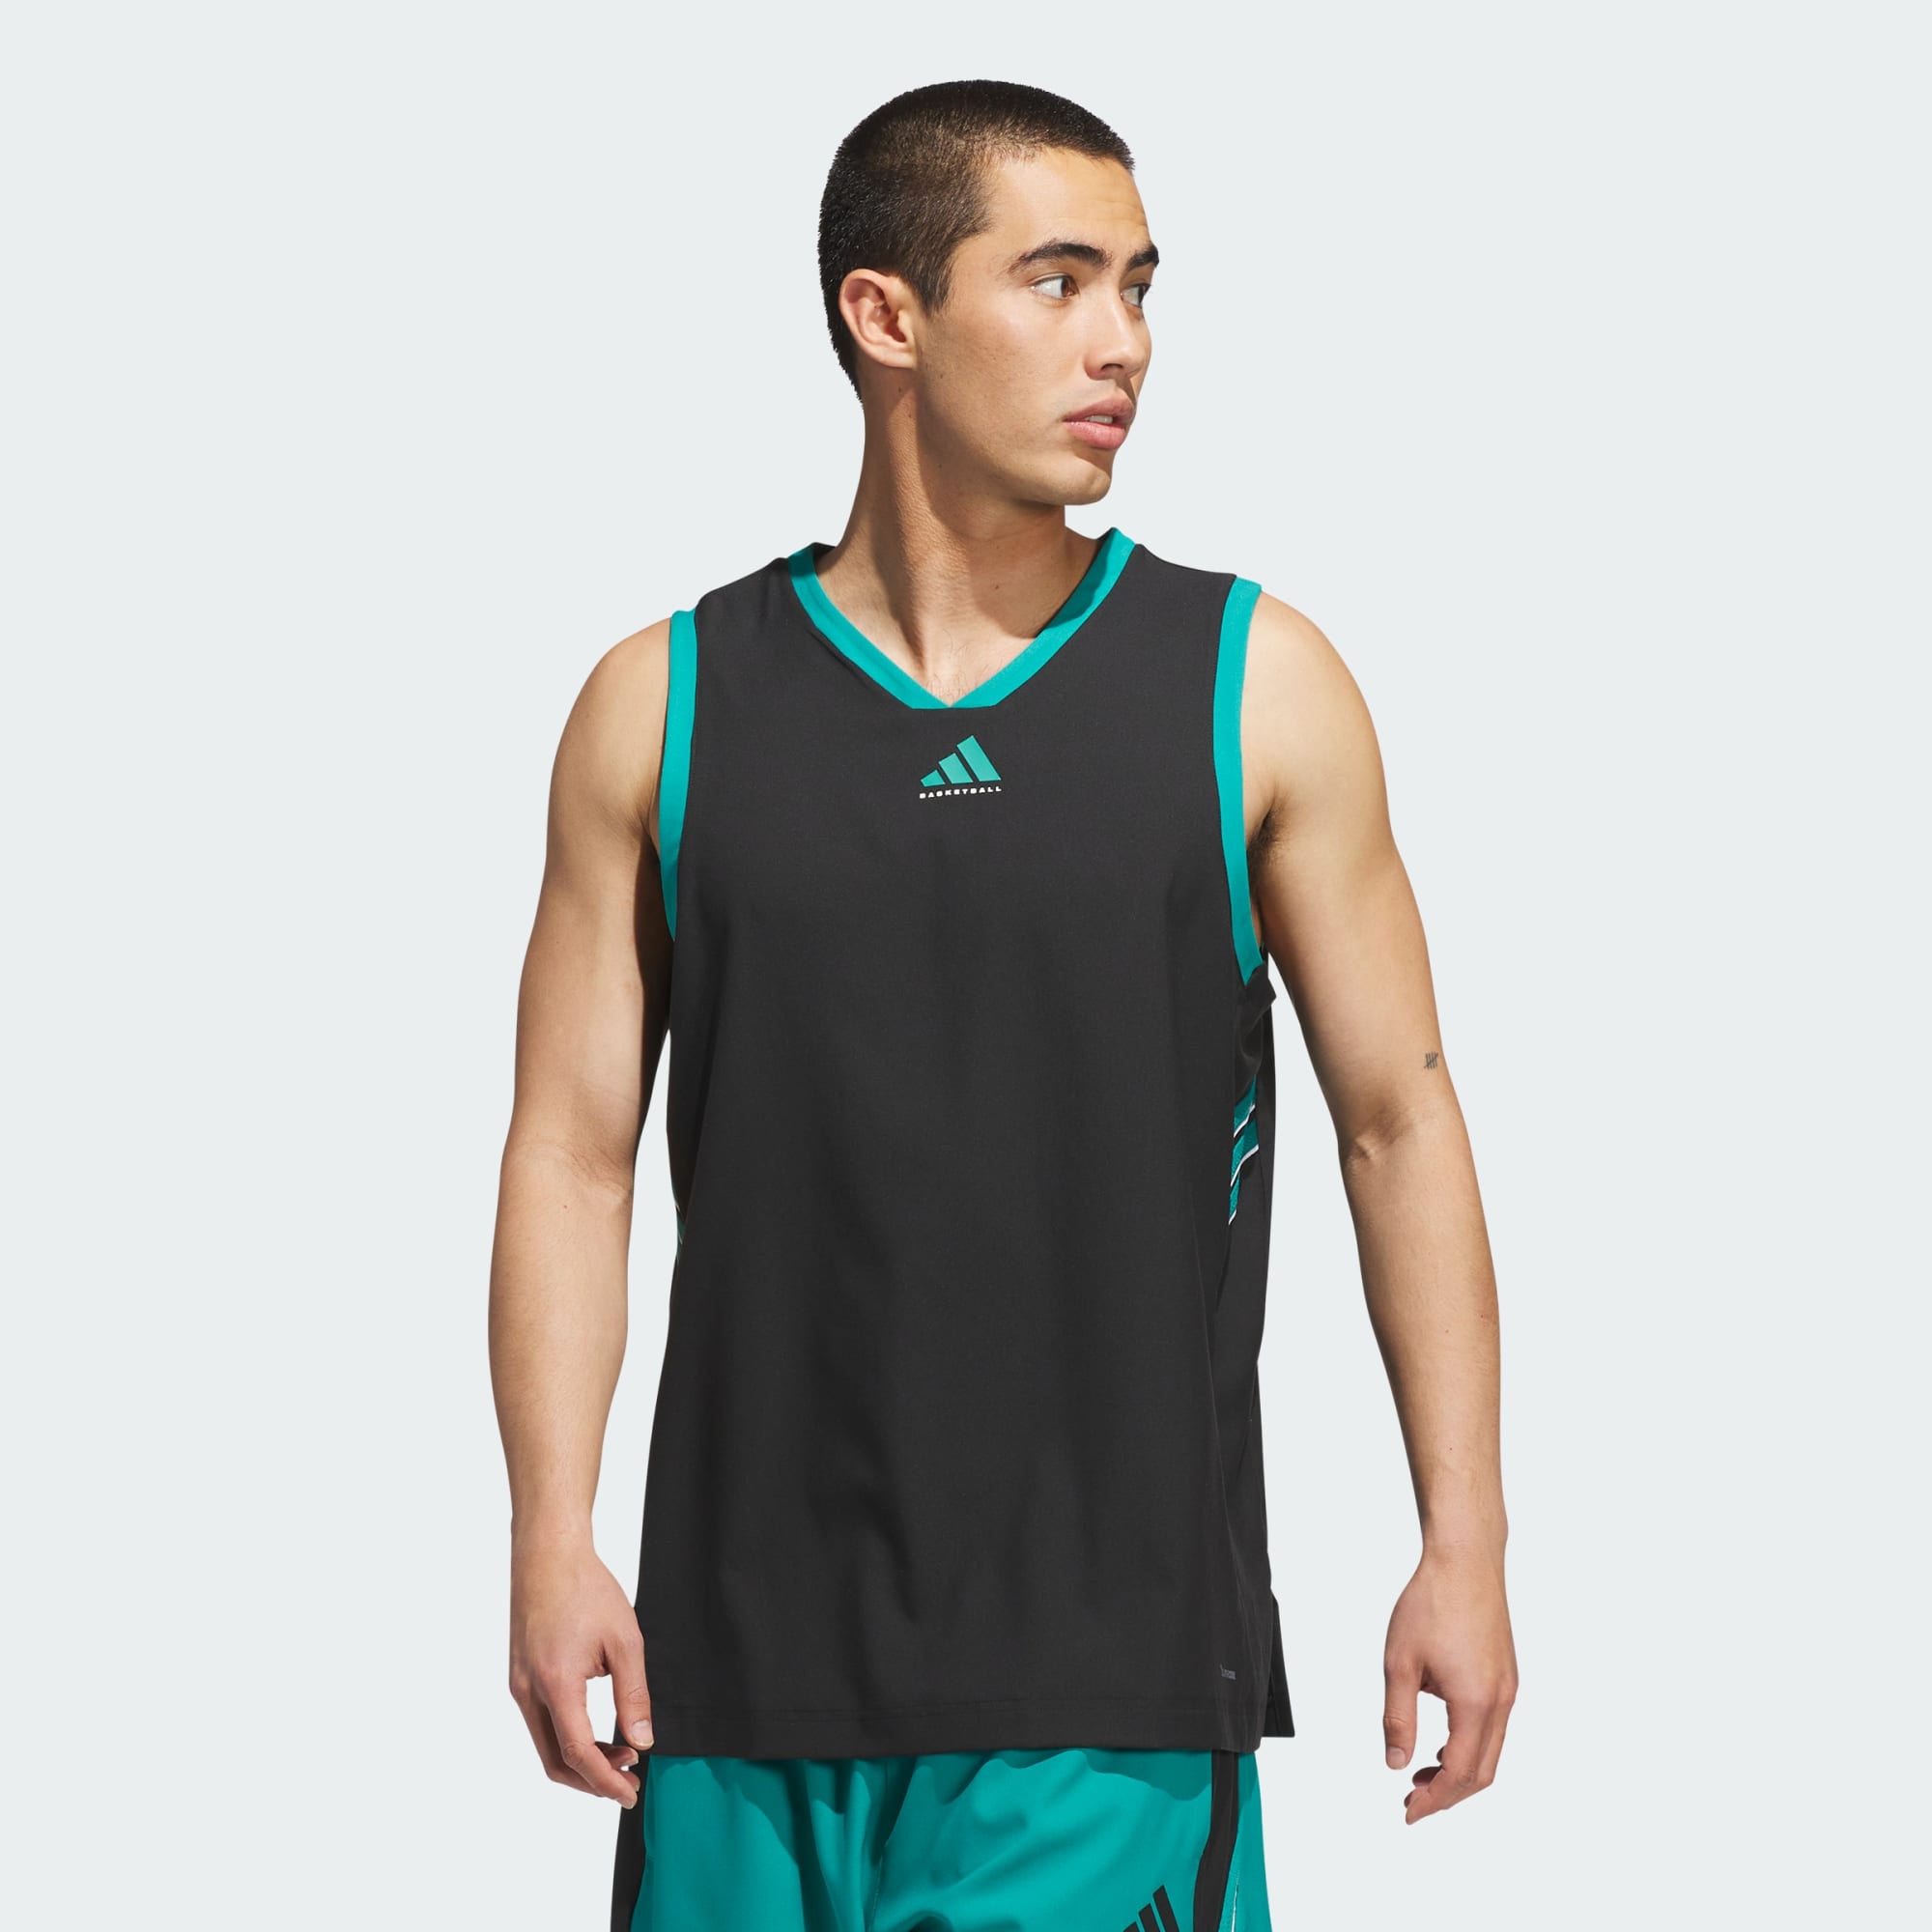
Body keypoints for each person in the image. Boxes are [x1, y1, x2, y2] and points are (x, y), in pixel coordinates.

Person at [488, 78, 1517, 1932]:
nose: (1123, 342)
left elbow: (1399, 1119)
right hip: (734, 1686)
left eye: (1139, 286)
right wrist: (550, 1537)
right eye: (1058, 282)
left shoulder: (1251, 684)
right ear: (886, 315)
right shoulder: (666, 705)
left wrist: (1466, 1537)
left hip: (1109, 1694)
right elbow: (572, 1153)